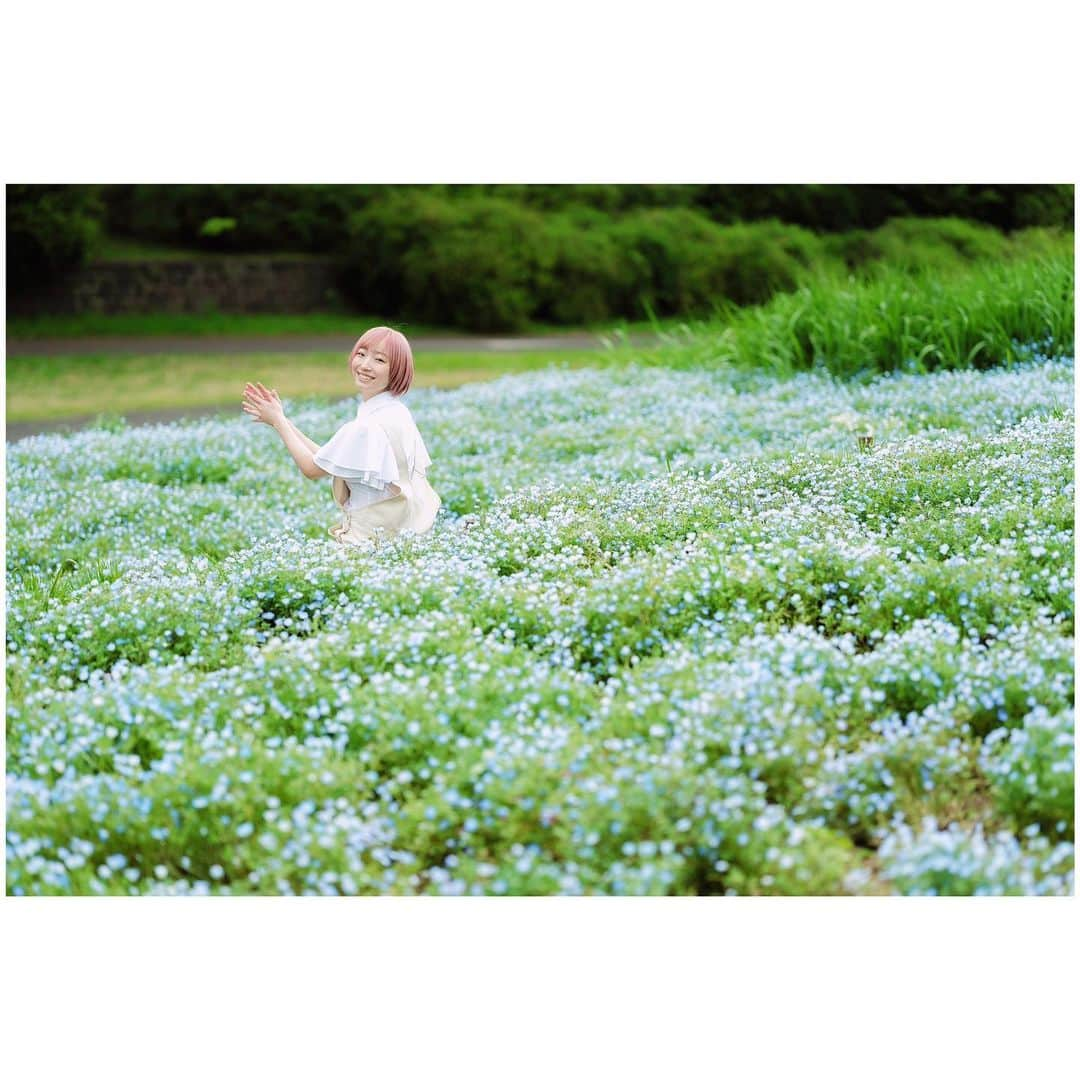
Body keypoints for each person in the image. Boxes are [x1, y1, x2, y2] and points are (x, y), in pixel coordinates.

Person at [241, 326, 441, 548]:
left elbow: (312, 469)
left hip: (364, 545)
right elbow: (330, 459)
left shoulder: (365, 427)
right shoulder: (397, 412)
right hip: (396, 541)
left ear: (397, 370)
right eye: (361, 354)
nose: (365, 365)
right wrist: (282, 419)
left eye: (380, 360)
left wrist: (278, 422)